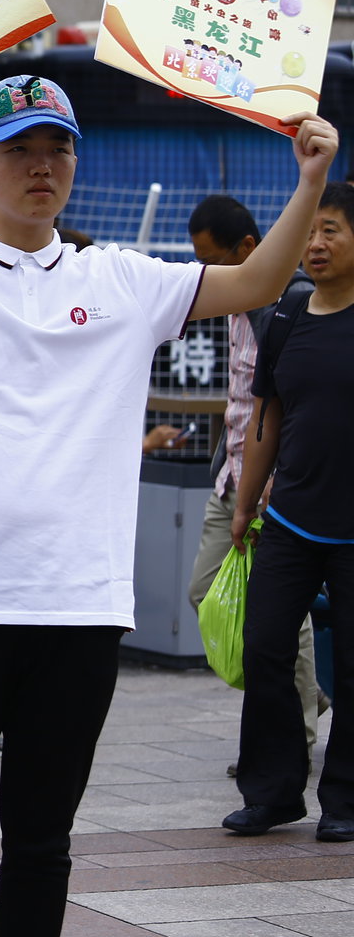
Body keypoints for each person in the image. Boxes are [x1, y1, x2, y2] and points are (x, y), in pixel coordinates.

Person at [0, 75, 337, 937]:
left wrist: (308, 179)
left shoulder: (121, 277)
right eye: (18, 150)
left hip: (78, 607)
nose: (41, 166)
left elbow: (255, 281)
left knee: (43, 845)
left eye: (57, 148)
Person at [227, 182, 354, 840]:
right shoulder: (289, 318)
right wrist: (246, 507)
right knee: (266, 646)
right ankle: (274, 791)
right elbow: (266, 422)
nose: (316, 244)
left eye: (331, 230)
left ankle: (346, 801)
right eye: (310, 232)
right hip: (292, 520)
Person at [183, 196, 322, 761]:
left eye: (215, 259)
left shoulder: (291, 305)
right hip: (232, 482)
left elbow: (292, 404)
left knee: (281, 613)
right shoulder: (237, 305)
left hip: (272, 486)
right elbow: (241, 400)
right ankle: (305, 696)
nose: (208, 274)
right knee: (204, 590)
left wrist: (273, 479)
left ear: (247, 249)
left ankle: (292, 728)